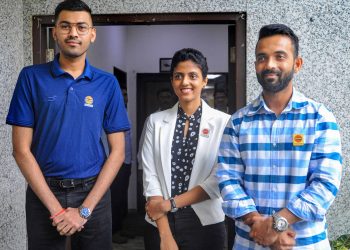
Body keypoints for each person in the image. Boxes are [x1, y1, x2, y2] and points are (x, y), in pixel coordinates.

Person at [6, 1, 130, 250]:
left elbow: (118, 152)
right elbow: (21, 149)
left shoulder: (107, 83)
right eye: (65, 26)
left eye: (81, 27)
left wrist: (84, 210)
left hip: (93, 192)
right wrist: (56, 210)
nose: (73, 33)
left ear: (92, 34)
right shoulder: (30, 77)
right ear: (55, 32)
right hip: (44, 193)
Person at [217, 24, 342, 249]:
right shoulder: (237, 122)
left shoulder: (319, 119)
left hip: (303, 244)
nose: (270, 64)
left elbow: (326, 184)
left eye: (280, 56)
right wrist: (261, 228)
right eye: (262, 58)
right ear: (255, 64)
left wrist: (277, 225)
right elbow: (228, 181)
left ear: (297, 64)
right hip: (250, 244)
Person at [142, 48, 230, 250]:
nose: (185, 82)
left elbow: (220, 179)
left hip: (206, 222)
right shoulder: (155, 122)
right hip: (159, 219)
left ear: (204, 80)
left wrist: (170, 203)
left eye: (193, 76)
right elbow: (150, 176)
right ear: (172, 81)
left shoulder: (224, 123)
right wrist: (164, 233)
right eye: (178, 76)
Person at [110, 87, 133, 244]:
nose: (124, 97)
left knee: (122, 198)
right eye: (121, 94)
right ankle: (113, 232)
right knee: (115, 199)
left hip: (127, 161)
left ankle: (120, 228)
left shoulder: (125, 112)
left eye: (126, 95)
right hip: (116, 163)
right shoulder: (113, 111)